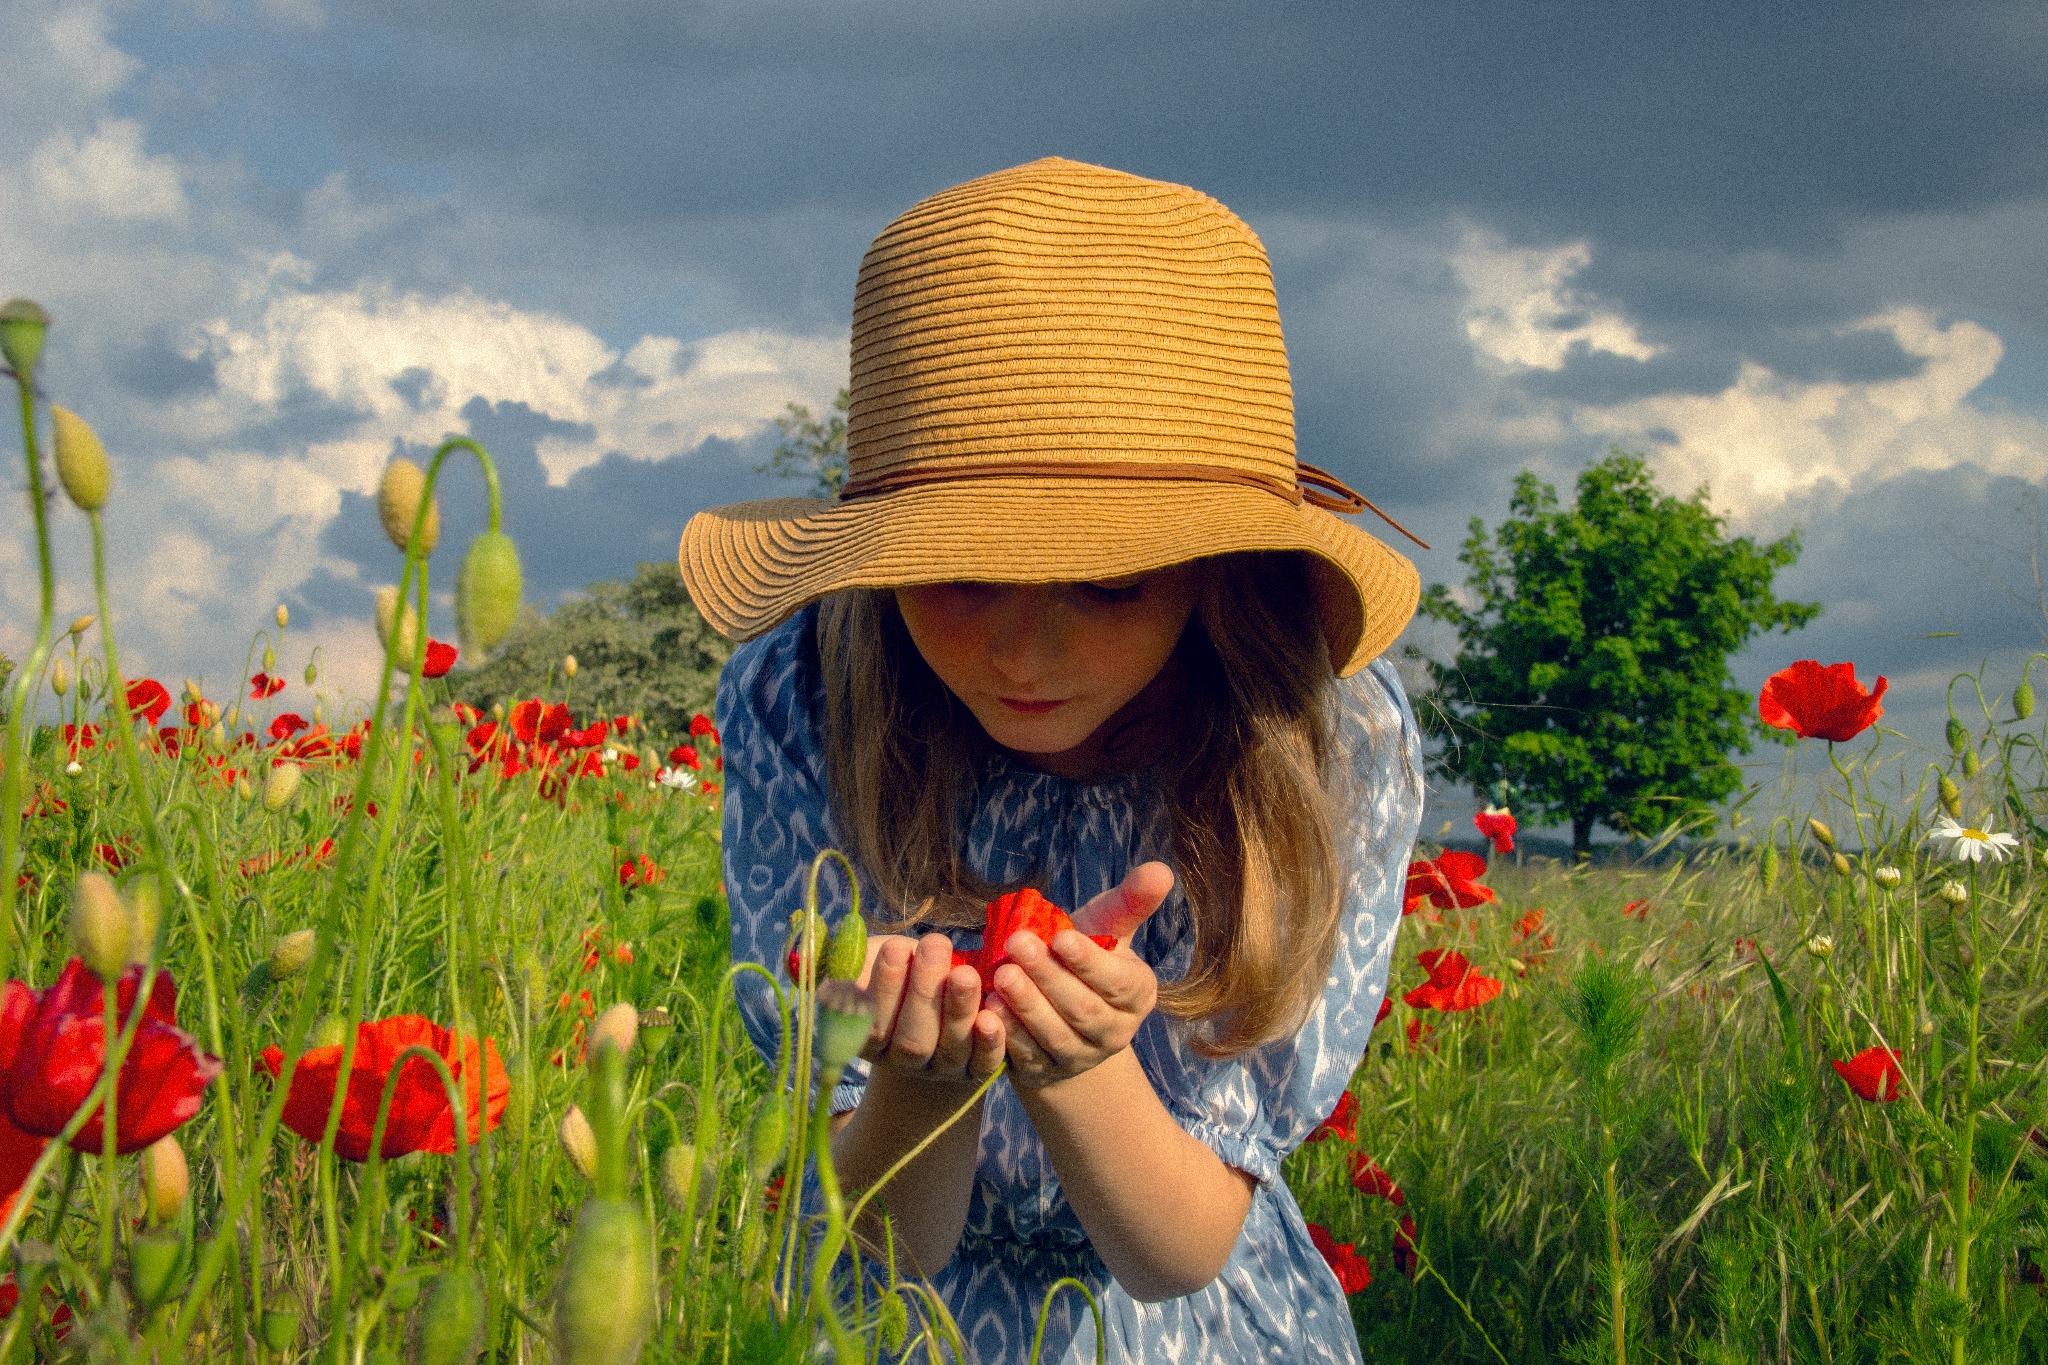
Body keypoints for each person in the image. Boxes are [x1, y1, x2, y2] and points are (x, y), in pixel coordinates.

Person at [678, 157, 1427, 1364]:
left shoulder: (1316, 737)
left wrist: (1079, 1073)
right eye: (959, 576)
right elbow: (882, 1250)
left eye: (1109, 582)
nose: (1024, 651)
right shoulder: (807, 691)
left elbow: (1171, 1257)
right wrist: (923, 1086)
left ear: (1216, 573)